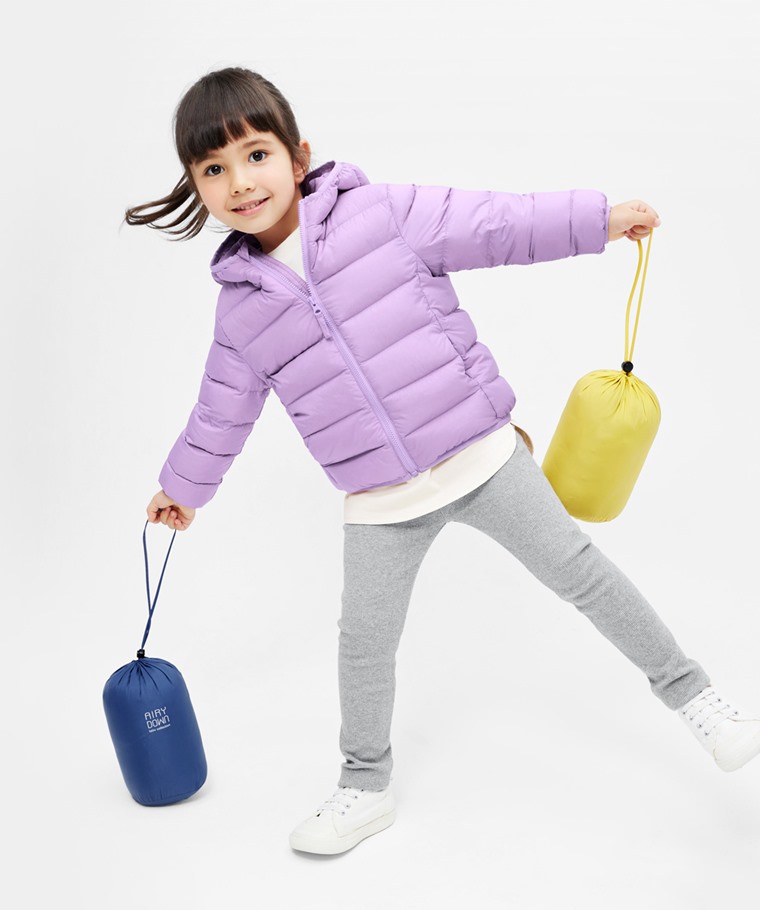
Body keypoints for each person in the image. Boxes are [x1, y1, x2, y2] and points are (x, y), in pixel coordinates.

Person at [128, 66, 760, 856]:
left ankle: (698, 700)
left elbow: (496, 224)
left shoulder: (379, 214)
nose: (241, 182)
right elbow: (221, 409)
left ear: (298, 156)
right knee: (363, 644)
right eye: (214, 169)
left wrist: (597, 220)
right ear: (197, 189)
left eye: (255, 155)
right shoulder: (241, 307)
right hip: (379, 498)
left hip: (479, 454)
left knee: (583, 575)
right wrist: (183, 489)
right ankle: (365, 786)